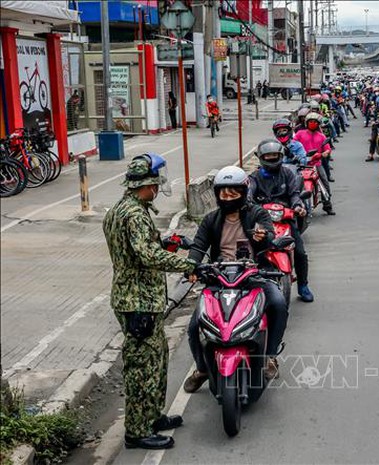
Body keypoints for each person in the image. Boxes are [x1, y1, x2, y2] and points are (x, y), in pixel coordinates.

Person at [103, 154, 199, 450]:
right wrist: (189, 265)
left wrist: (168, 241)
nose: (157, 188)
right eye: (155, 184)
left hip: (141, 299)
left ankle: (152, 416)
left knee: (157, 360)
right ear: (145, 184)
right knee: (142, 368)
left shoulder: (123, 209)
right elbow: (148, 256)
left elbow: (138, 248)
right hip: (138, 302)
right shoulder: (134, 215)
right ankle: (136, 431)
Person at [183, 166, 289, 391]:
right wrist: (192, 266)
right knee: (194, 325)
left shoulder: (257, 213)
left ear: (243, 192)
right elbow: (199, 245)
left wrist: (264, 238)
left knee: (278, 303)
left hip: (254, 275)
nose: (228, 198)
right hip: (219, 278)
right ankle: (203, 368)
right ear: (217, 194)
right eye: (224, 194)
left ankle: (269, 356)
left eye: (234, 193)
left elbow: (269, 235)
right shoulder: (211, 219)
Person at [248, 139, 316, 302]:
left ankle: (303, 285)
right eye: (268, 156)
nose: (272, 159)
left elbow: (294, 194)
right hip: (262, 220)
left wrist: (298, 206)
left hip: (285, 218)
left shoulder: (288, 174)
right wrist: (250, 206)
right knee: (250, 250)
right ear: (261, 158)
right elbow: (249, 195)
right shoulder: (254, 177)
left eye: (275, 156)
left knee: (300, 252)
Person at [294, 113, 336, 215]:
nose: (312, 124)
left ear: (318, 124)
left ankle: (327, 205)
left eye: (315, 122)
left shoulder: (321, 136)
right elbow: (293, 145)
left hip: (316, 164)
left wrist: (323, 154)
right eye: (310, 122)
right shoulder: (299, 134)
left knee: (324, 182)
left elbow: (327, 149)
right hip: (301, 164)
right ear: (306, 123)